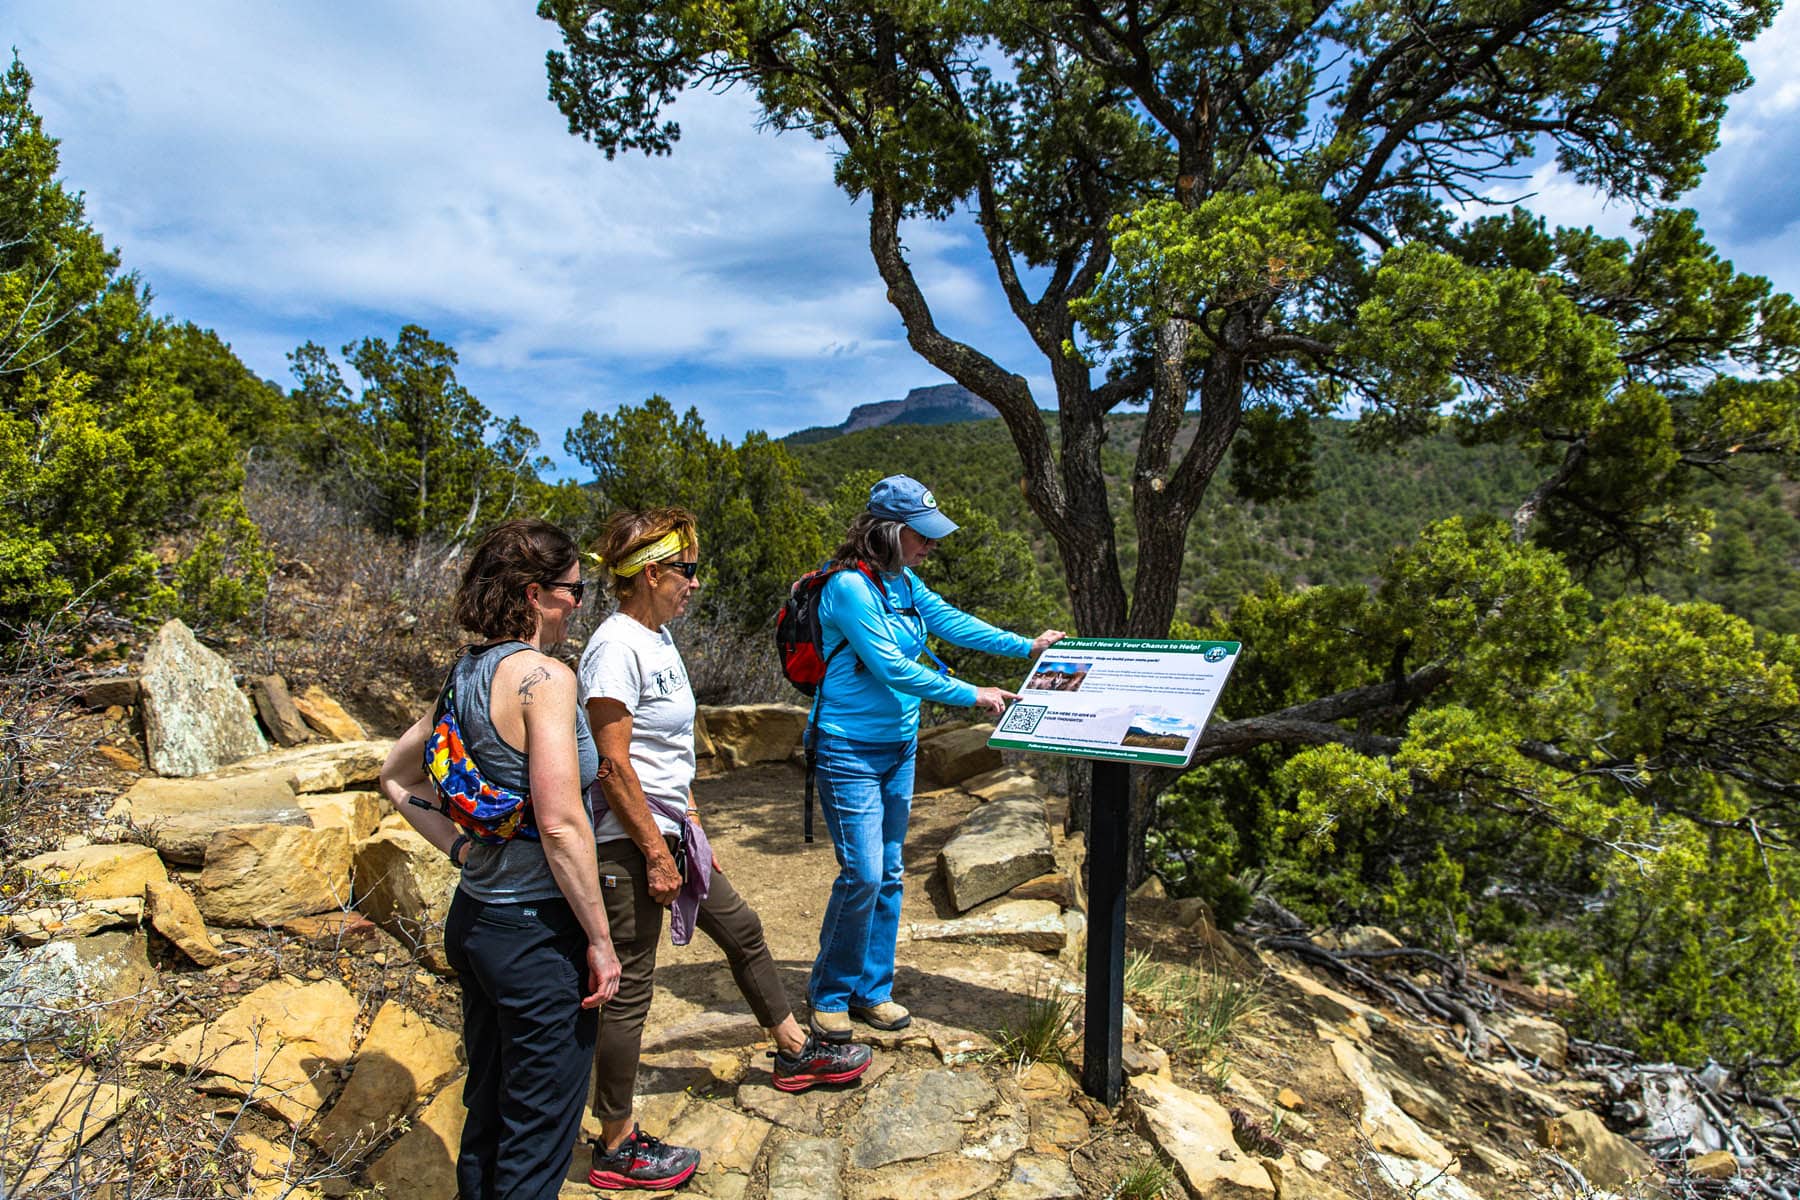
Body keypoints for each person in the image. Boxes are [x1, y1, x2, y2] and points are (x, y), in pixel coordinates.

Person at [579, 507, 872, 1191]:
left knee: (743, 930)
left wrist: (690, 825)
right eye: (686, 572)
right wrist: (654, 853)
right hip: (632, 842)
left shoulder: (656, 638)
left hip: (675, 833)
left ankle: (794, 1051)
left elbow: (663, 753)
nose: (695, 584)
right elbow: (614, 766)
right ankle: (614, 1144)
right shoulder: (615, 647)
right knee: (629, 990)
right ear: (650, 575)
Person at [378, 518, 622, 1200]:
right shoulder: (545, 678)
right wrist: (600, 941)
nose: (580, 603)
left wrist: (460, 849)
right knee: (538, 1137)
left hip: (477, 924)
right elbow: (562, 822)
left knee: (486, 1114)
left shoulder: (465, 674)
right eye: (575, 589)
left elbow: (396, 778)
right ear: (535, 594)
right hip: (539, 937)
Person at [807, 475, 1064, 1042]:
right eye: (921, 536)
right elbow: (892, 669)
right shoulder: (850, 588)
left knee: (891, 872)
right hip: (848, 747)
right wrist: (976, 695)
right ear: (890, 531)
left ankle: (871, 991)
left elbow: (951, 621)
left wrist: (1026, 646)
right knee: (863, 873)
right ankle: (828, 992)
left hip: (898, 748)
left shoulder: (902, 581)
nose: (930, 546)